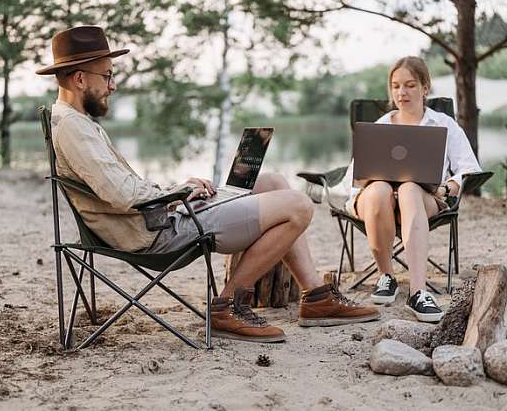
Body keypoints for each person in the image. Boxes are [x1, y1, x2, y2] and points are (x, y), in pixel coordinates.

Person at [36, 25, 380, 344]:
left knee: (274, 181)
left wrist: (179, 189)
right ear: (80, 79)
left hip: (159, 217)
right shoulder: (72, 127)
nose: (113, 85)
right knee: (299, 206)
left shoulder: (76, 122)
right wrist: (179, 194)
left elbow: (120, 187)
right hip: (157, 233)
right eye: (108, 76)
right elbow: (122, 194)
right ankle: (227, 306)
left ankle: (316, 297)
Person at [343, 56, 481, 323]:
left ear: (425, 87)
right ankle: (387, 276)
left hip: (423, 198)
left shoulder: (444, 124)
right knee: (381, 188)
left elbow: (469, 169)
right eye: (395, 86)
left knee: (408, 188)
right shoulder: (380, 127)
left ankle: (418, 292)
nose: (401, 93)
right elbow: (354, 177)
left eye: (409, 85)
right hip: (375, 201)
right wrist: (369, 178)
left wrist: (447, 187)